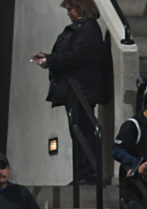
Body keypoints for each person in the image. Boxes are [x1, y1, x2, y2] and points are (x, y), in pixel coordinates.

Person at [36, 0, 109, 186]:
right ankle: (82, 174)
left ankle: (88, 174)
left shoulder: (88, 29)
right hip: (76, 89)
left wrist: (50, 60)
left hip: (82, 89)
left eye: (70, 9)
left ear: (80, 7)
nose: (68, 13)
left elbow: (78, 56)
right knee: (78, 131)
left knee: (84, 131)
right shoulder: (83, 29)